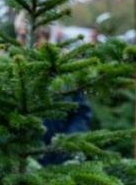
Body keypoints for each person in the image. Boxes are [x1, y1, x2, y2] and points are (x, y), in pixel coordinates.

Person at [14, 12, 92, 164]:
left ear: (47, 38)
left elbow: (81, 112)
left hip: (57, 161)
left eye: (36, 37)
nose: (30, 43)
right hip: (18, 162)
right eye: (23, 36)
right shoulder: (7, 70)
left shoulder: (65, 73)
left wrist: (67, 143)